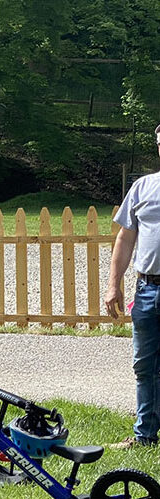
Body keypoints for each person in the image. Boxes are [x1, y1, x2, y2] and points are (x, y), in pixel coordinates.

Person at [105, 124, 160, 448]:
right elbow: (125, 239)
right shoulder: (143, 187)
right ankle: (145, 436)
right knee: (145, 365)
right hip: (147, 289)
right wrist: (114, 285)